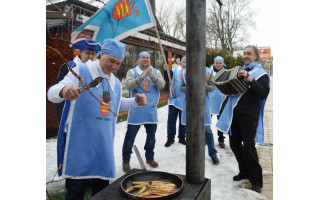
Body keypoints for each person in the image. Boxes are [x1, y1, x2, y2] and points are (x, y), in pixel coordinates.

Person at [47, 39, 147, 200]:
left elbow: (116, 103)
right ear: (101, 55)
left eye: (118, 63)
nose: (114, 66)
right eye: (111, 61)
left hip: (103, 145)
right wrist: (64, 90)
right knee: (75, 192)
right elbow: (52, 92)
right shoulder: (80, 69)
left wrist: (135, 102)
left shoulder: (115, 82)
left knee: (102, 192)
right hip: (80, 145)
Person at [216, 45, 270, 193]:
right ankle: (244, 171)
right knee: (234, 144)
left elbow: (263, 93)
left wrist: (249, 78)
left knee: (249, 147)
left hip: (249, 115)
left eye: (249, 53)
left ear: (256, 56)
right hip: (234, 114)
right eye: (244, 53)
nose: (245, 56)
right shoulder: (238, 71)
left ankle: (256, 180)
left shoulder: (261, 74)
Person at [122, 51, 166, 172]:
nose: (145, 59)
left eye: (147, 58)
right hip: (136, 110)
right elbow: (130, 86)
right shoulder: (132, 71)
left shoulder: (156, 72)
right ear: (138, 59)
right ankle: (126, 160)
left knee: (151, 137)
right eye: (143, 57)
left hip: (151, 111)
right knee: (130, 137)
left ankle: (149, 157)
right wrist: (142, 76)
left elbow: (162, 85)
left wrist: (151, 76)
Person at [180, 64, 220, 165]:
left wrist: (205, 87)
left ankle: (213, 154)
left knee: (207, 131)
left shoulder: (207, 72)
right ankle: (192, 153)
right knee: (190, 131)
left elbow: (212, 87)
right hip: (190, 104)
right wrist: (191, 88)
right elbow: (181, 88)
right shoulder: (186, 72)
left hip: (203, 104)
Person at [56, 38, 101, 121]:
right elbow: (60, 91)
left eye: (93, 54)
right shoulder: (69, 67)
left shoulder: (95, 70)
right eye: (88, 53)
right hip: (71, 113)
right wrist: (63, 117)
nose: (91, 56)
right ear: (80, 52)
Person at [163, 55, 186, 147]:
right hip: (174, 99)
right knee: (171, 120)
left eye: (187, 60)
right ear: (180, 61)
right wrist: (166, 71)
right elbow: (167, 78)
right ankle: (170, 138)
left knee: (183, 120)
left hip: (185, 100)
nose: (185, 61)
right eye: (184, 59)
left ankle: (182, 137)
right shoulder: (175, 70)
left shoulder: (191, 71)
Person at [208, 56, 227, 148]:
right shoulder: (209, 71)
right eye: (217, 63)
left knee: (221, 120)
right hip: (210, 98)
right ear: (214, 63)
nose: (218, 64)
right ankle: (206, 138)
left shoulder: (225, 72)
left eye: (220, 63)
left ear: (222, 64)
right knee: (207, 119)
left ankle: (221, 139)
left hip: (221, 98)